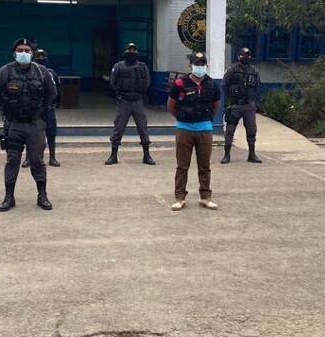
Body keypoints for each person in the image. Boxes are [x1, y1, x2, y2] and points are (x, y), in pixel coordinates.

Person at [0, 38, 57, 212]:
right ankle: (9, 197)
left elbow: (52, 93)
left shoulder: (42, 72)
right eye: (20, 50)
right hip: (14, 124)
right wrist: (6, 109)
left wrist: (41, 110)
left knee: (37, 160)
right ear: (14, 53)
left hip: (35, 124)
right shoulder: (5, 71)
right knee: (12, 160)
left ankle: (42, 195)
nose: (23, 53)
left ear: (32, 53)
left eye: (27, 51)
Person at [168, 52, 221, 211]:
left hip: (205, 129)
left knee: (204, 165)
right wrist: (182, 118)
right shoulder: (179, 84)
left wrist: (206, 119)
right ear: (190, 65)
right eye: (197, 64)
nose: (200, 67)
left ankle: (205, 197)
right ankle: (180, 198)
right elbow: (171, 106)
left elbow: (216, 106)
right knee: (182, 166)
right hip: (184, 129)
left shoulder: (212, 85)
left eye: (202, 64)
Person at [105, 43, 155, 166]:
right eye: (129, 50)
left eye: (134, 51)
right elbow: (113, 81)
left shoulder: (142, 67)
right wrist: (119, 92)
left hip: (138, 100)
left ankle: (147, 155)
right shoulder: (118, 66)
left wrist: (140, 92)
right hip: (124, 100)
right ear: (125, 52)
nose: (131, 53)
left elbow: (147, 82)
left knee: (143, 127)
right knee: (118, 127)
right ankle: (113, 155)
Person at [221, 47, 262, 164]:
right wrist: (230, 100)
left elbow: (258, 87)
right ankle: (226, 155)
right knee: (230, 129)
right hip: (235, 104)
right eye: (244, 55)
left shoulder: (254, 70)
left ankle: (252, 155)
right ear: (239, 56)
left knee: (252, 129)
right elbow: (224, 85)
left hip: (249, 105)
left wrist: (255, 102)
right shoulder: (232, 69)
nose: (246, 57)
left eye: (248, 55)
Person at [23, 48, 61, 168]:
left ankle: (52, 157)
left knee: (51, 133)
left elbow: (57, 90)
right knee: (30, 133)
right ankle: (28, 158)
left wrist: (53, 104)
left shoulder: (51, 73)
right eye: (38, 57)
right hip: (33, 109)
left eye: (43, 57)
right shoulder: (28, 72)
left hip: (48, 108)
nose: (41, 59)